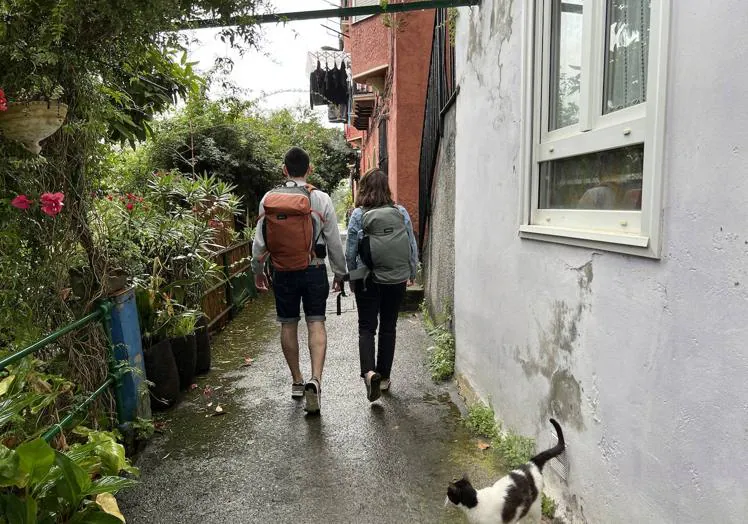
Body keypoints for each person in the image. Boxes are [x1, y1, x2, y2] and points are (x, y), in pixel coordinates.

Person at [252, 147, 346, 414]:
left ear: (284, 170)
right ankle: (315, 380)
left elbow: (259, 241)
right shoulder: (321, 198)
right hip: (314, 268)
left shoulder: (269, 199)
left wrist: (258, 271)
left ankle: (296, 380)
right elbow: (334, 242)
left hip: (282, 270)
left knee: (288, 324)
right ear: (310, 169)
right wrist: (340, 273)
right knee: (316, 322)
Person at [345, 169, 418, 402]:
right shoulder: (400, 211)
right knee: (389, 326)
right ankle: (384, 377)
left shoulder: (358, 214)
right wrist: (412, 272)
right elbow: (411, 243)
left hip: (367, 278)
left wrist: (353, 278)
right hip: (396, 278)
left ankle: (369, 372)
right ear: (387, 188)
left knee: (366, 327)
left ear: (364, 188)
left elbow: (351, 251)